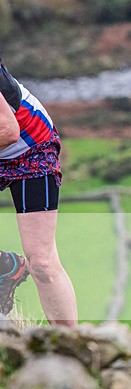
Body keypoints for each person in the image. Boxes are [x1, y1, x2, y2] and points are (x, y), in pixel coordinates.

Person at [0, 56, 77, 326]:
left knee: (42, 263)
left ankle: (70, 346)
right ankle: (5, 267)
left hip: (31, 145)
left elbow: (8, 130)